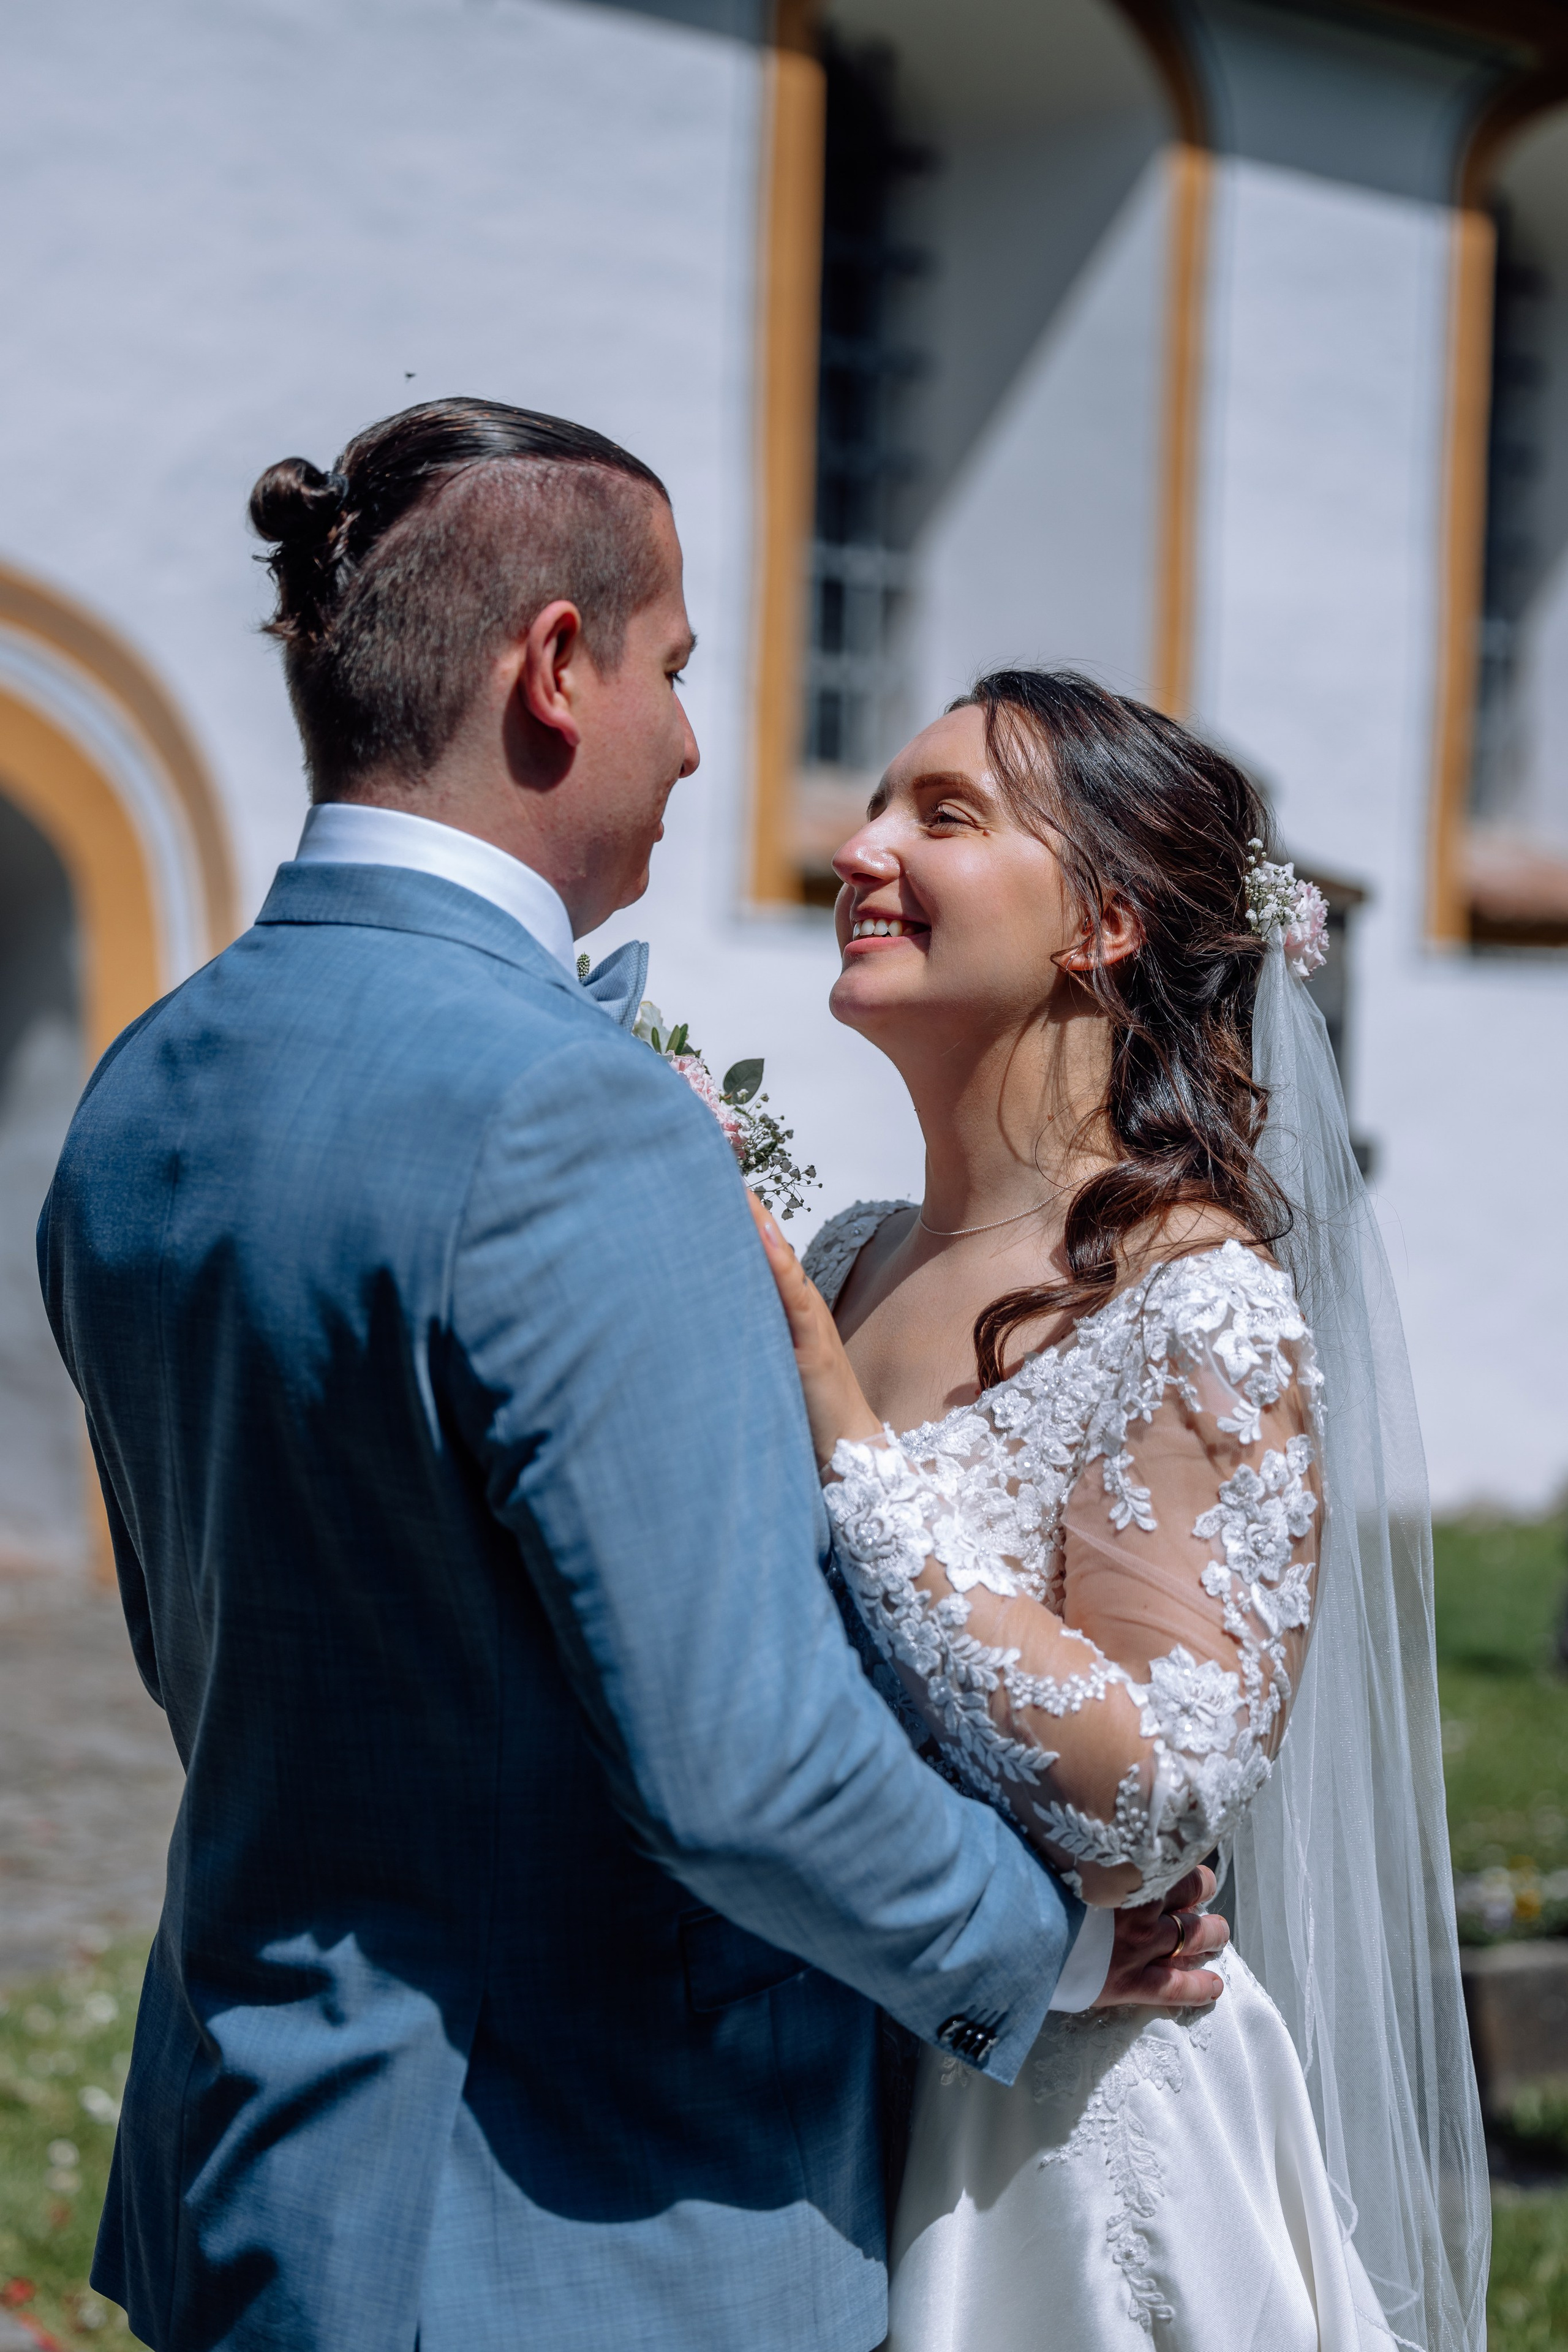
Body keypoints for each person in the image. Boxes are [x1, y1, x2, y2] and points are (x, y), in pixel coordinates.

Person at [36, 405, 1224, 2352]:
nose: (689, 742)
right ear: (556, 668)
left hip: (257, 2158)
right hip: (563, 2209)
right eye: (675, 672)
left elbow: (210, 1658)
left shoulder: (143, 1085)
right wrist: (1055, 1951)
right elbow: (739, 1765)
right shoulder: (567, 1117)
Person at [753, 671, 1490, 2351]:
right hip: (822, 2078)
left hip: (1060, 2162)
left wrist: (852, 1451)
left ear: (1102, 924)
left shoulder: (1191, 1302)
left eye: (943, 816)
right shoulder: (850, 1256)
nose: (859, 851)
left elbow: (1156, 1801)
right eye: (873, 806)